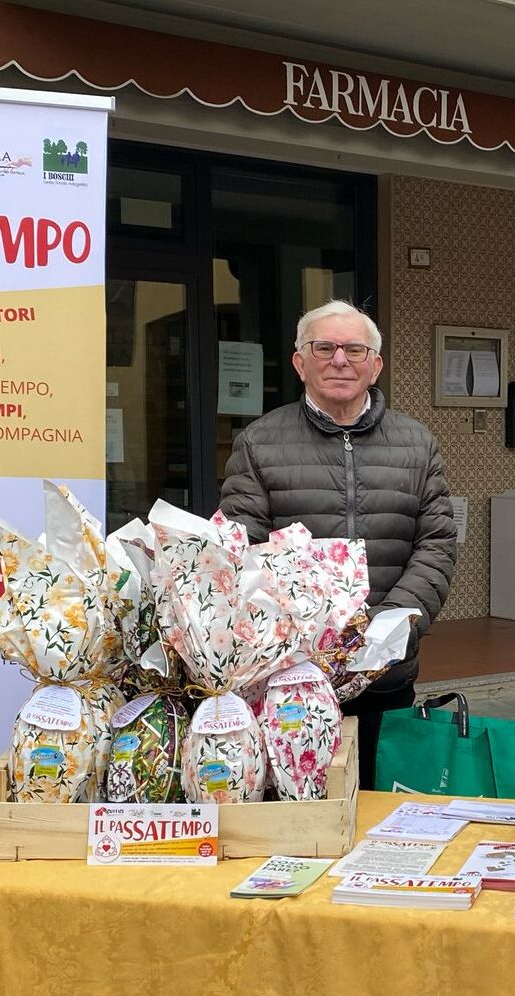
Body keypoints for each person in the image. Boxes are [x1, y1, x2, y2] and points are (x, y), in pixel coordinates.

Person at [220, 301, 457, 790]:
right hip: (290, 677)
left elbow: (436, 543)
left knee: (380, 804)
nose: (339, 359)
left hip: (384, 672)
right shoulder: (259, 442)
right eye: (323, 347)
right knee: (296, 811)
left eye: (354, 348)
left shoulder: (416, 443)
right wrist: (302, 637)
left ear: (376, 364)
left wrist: (394, 626)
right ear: (299, 362)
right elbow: (238, 551)